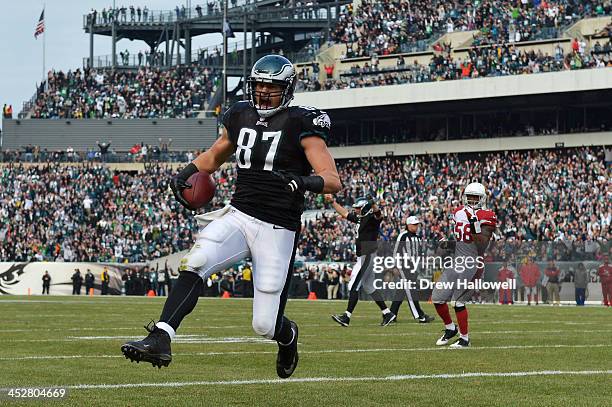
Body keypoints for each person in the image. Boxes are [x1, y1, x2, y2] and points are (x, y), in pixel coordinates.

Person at [121, 54, 341, 379]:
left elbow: (333, 179)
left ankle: (288, 335)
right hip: (239, 214)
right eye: (260, 85)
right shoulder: (239, 114)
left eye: (272, 86)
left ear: (288, 89)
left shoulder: (301, 122)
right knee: (197, 261)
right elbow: (216, 153)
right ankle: (161, 337)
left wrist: (305, 181)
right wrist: (187, 171)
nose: (265, 92)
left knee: (265, 325)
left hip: (278, 227)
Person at [432, 182, 497, 348]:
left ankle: (464, 338)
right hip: (457, 260)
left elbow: (482, 245)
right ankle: (450, 328)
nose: (472, 200)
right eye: (470, 197)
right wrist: (449, 244)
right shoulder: (458, 212)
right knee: (438, 298)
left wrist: (475, 225)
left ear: (482, 199)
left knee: (458, 301)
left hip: (473, 262)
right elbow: (460, 239)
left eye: (476, 197)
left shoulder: (488, 215)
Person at [330, 195, 396, 327]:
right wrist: (332, 202)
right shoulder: (360, 219)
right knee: (369, 287)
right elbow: (344, 213)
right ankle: (387, 313)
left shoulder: (371, 218)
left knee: (354, 285)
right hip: (364, 256)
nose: (356, 210)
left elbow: (378, 215)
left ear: (365, 207)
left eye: (359, 208)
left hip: (368, 255)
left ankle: (346, 317)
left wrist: (373, 204)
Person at [389, 215, 435, 323]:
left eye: (417, 225)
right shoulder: (403, 236)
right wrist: (396, 266)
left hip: (413, 267)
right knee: (411, 291)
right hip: (404, 266)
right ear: (408, 225)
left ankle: (391, 315)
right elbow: (396, 252)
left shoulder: (418, 237)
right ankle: (420, 315)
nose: (416, 227)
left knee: (400, 292)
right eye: (414, 225)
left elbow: (419, 253)